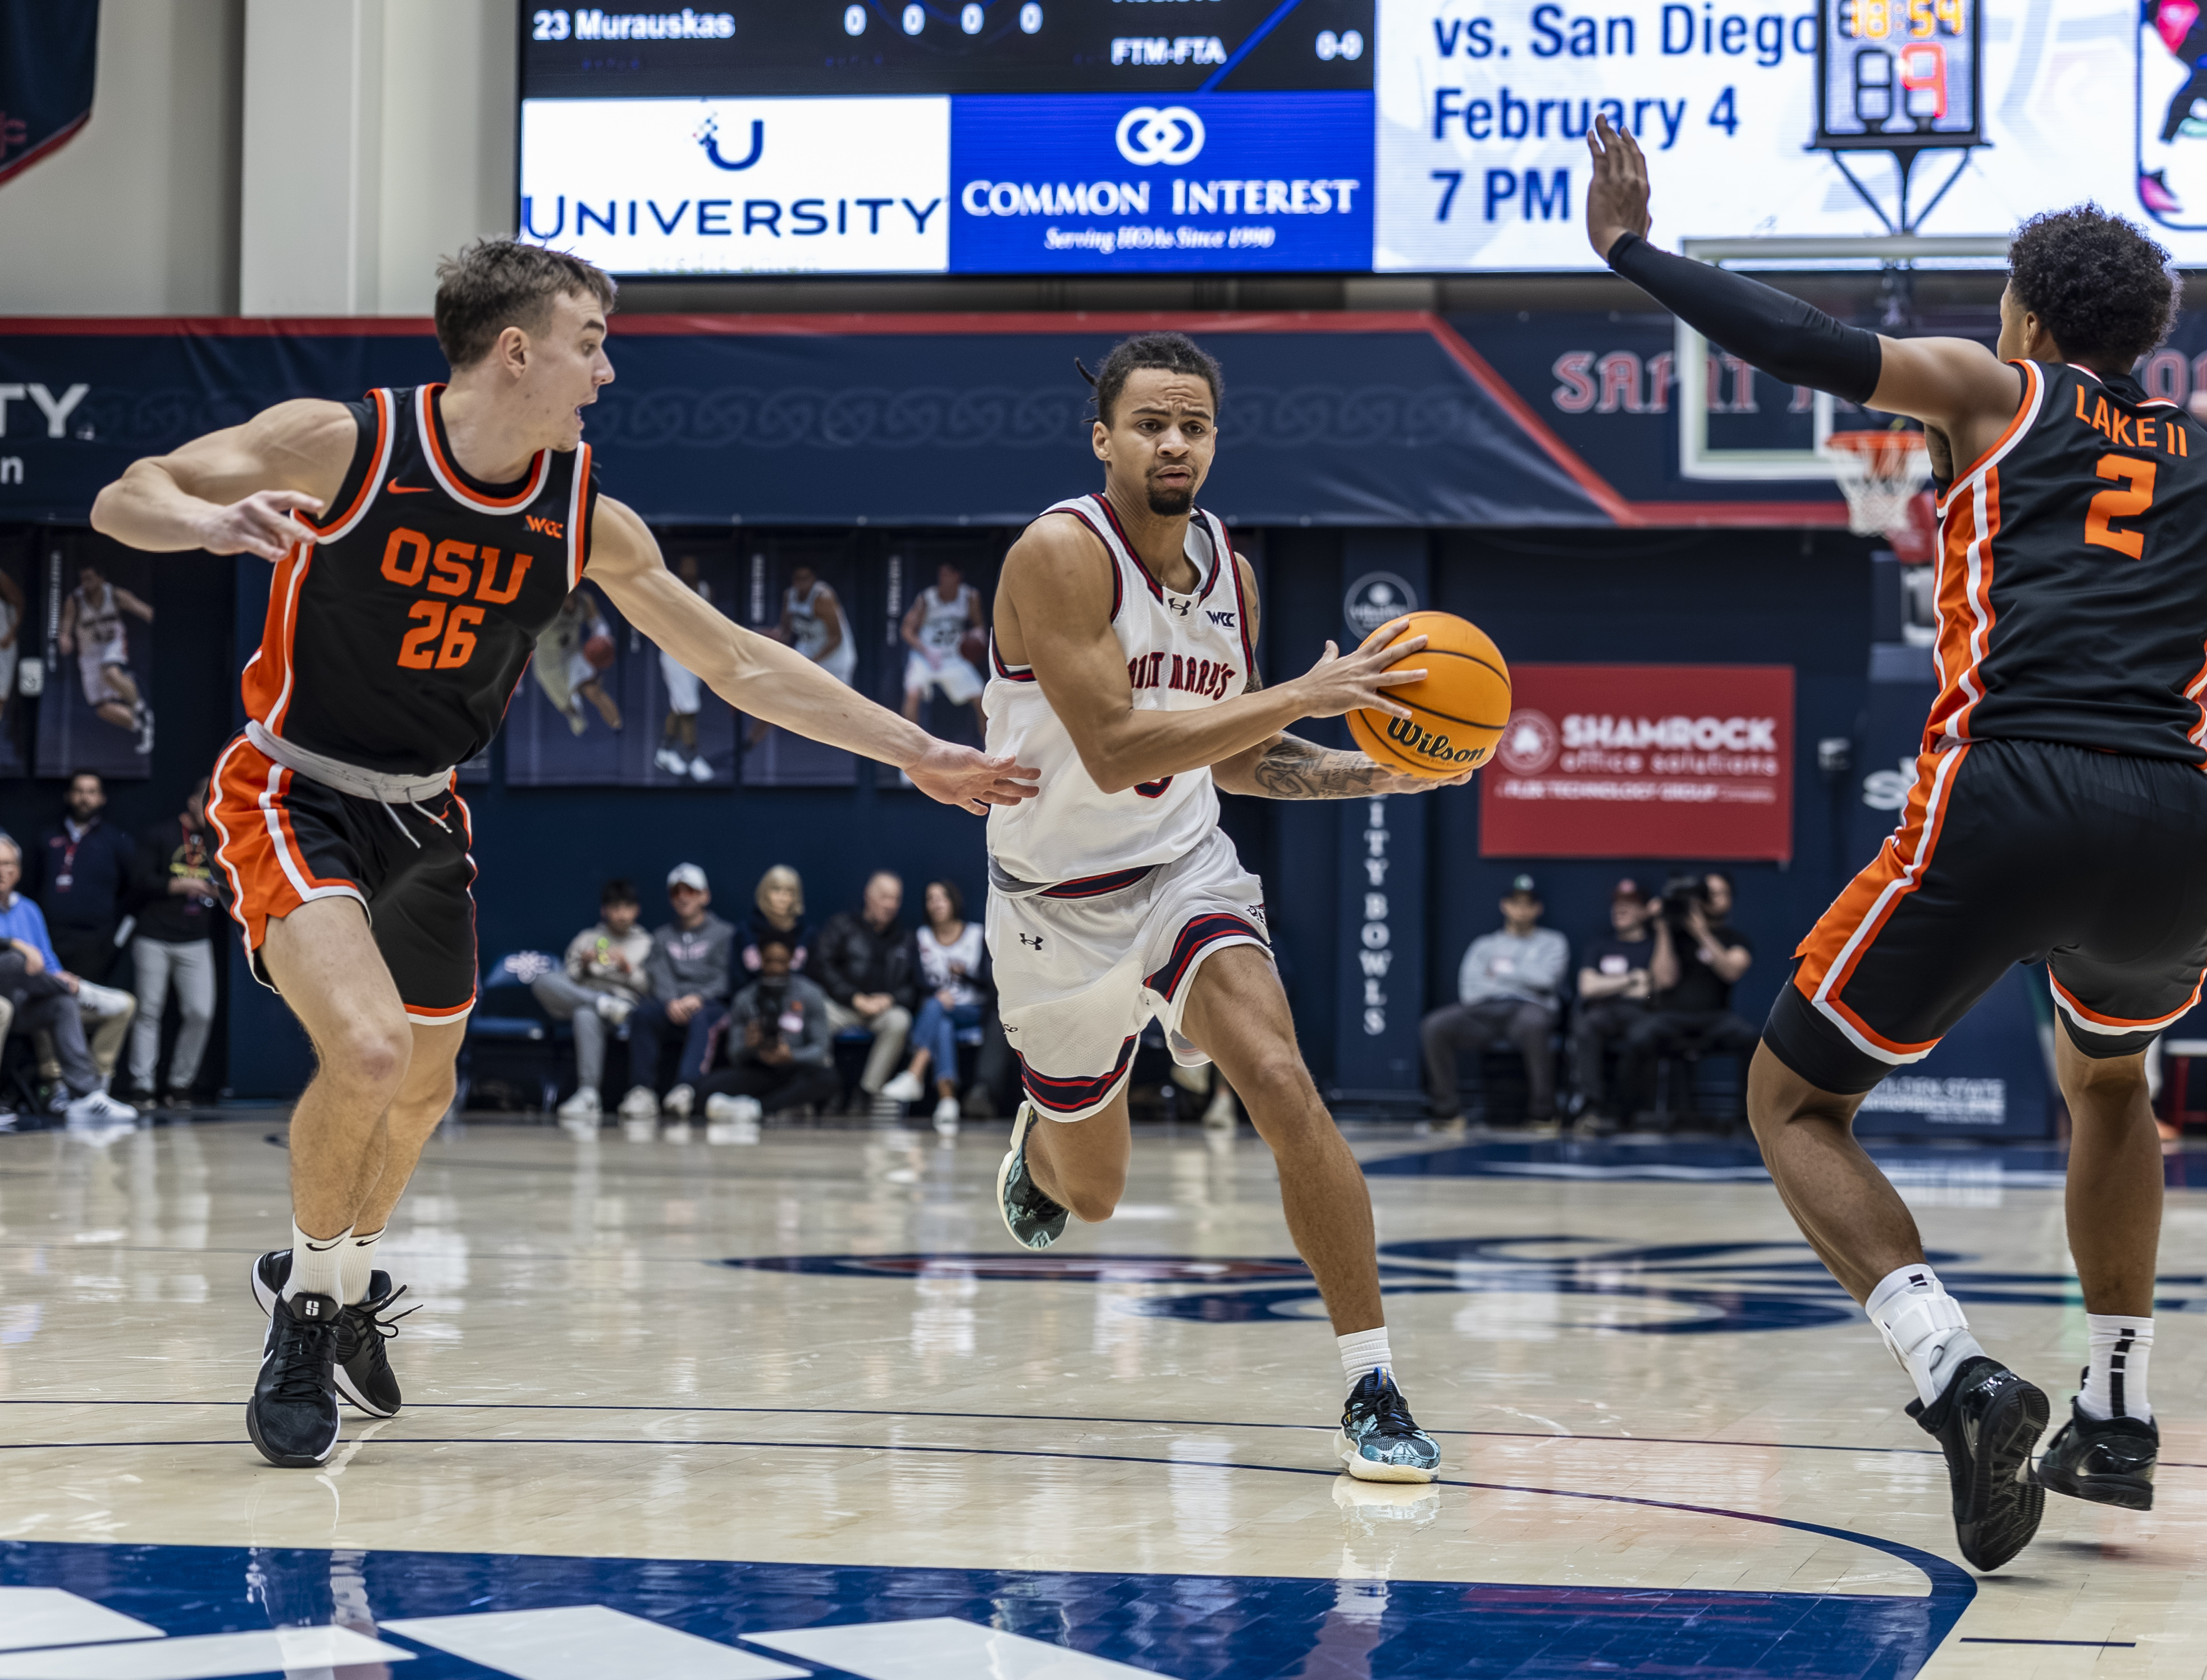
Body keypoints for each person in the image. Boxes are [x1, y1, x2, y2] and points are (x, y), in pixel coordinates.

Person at [88, 236, 1035, 1469]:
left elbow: (737, 660)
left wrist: (915, 747)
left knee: (423, 1090)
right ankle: (309, 1313)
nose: (606, 371)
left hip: (428, 809)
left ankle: (336, 1267)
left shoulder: (582, 510)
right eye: (591, 342)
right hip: (291, 782)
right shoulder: (347, 441)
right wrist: (210, 519)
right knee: (368, 1047)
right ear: (518, 348)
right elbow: (128, 492)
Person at [1588, 117, 2203, 1568]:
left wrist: (1632, 250)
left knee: (1791, 1100)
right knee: (2109, 1081)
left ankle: (1957, 1374)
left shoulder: (1998, 390)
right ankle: (2111, 1412)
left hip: (2008, 787)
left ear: (2031, 316)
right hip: (2179, 819)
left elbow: (1800, 341)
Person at [985, 331, 1467, 1482]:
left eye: (1193, 423)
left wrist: (1377, 773)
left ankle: (1372, 1383)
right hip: (1056, 905)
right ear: (1103, 439)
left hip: (1185, 873)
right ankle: (1041, 1145)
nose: (1174, 441)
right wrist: (1309, 690)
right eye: (1151, 421)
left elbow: (1235, 754)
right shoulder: (1061, 552)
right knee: (1091, 1194)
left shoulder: (1229, 572)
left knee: (1284, 1080)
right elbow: (1111, 748)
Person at [0, 833, 137, 1127]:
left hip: (28, 1001)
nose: (2, 872)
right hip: (3, 994)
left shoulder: (29, 909)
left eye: (8, 864)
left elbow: (48, 960)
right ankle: (84, 992)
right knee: (14, 961)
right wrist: (15, 944)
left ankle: (87, 1097)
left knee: (62, 1002)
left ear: (19, 871)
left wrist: (62, 977)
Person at [1419, 875, 1569, 1127]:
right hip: (1483, 1012)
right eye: (1515, 902)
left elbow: (1546, 981)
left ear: (1538, 908)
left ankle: (1543, 1115)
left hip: (1527, 1009)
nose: (1522, 909)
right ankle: (1448, 1113)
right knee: (1435, 1025)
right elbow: (1470, 989)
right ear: (1504, 906)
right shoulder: (1484, 945)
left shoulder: (1553, 942)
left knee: (1536, 1025)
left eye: (1528, 903)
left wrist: (1502, 973)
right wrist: (1524, 975)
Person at [1614, 872, 1758, 1128]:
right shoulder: (1676, 937)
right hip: (1672, 1017)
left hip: (1716, 1018)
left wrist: (1702, 933)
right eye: (1707, 894)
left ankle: (1749, 1119)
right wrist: (1663, 930)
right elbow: (1663, 981)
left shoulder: (1735, 939)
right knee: (1637, 1036)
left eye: (1718, 894)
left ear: (1730, 900)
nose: (1711, 899)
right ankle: (1625, 1116)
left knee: (1752, 1040)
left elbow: (1732, 970)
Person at [125, 776, 221, 1109]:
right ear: (192, 801)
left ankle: (181, 1084)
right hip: (154, 934)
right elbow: (139, 881)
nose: (210, 809)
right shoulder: (160, 834)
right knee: (148, 1011)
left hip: (196, 938)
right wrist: (177, 886)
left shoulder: (220, 839)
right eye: (205, 801)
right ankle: (142, 1086)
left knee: (201, 1012)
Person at [618, 864, 734, 1123]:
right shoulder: (661, 937)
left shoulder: (724, 934)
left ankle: (686, 1089)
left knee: (704, 1017)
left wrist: (698, 997)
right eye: (676, 892)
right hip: (672, 1004)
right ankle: (642, 1092)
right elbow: (659, 974)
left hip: (710, 1005)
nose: (683, 897)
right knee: (642, 1015)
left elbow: (725, 976)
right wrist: (671, 1000)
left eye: (691, 891)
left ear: (705, 896)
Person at [881, 877, 993, 1135]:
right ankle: (947, 1101)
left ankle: (915, 1072)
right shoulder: (920, 938)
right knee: (941, 1020)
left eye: (942, 897)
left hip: (972, 1011)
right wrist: (937, 993)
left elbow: (991, 984)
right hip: (940, 1010)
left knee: (937, 1010)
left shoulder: (976, 934)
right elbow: (918, 981)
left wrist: (964, 976)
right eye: (930, 899)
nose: (936, 904)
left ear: (954, 901)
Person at [536, 878, 653, 1125]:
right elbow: (567, 979)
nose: (621, 914)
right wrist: (584, 966)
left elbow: (651, 988)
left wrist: (627, 969)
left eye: (627, 907)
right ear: (605, 910)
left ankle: (588, 1093)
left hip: (623, 1004)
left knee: (584, 1013)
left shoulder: (646, 942)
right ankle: (599, 1002)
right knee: (544, 981)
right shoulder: (588, 938)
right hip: (587, 996)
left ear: (637, 910)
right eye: (615, 907)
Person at [697, 936, 838, 1129]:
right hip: (759, 1070)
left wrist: (791, 1056)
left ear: (791, 960)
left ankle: (757, 1108)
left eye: (781, 961)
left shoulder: (810, 994)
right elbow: (734, 1054)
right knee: (705, 1089)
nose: (775, 968)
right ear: (760, 960)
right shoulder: (745, 998)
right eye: (769, 961)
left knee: (828, 1079)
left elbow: (820, 1049)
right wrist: (750, 1047)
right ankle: (783, 1104)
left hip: (797, 1069)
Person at [816, 871, 919, 1106]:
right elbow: (822, 968)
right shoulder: (841, 926)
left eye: (896, 899)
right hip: (844, 1005)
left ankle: (867, 1093)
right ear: (868, 896)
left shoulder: (906, 937)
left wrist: (889, 1000)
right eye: (884, 897)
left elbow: (915, 987)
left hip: (882, 1010)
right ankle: (825, 1086)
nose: (890, 905)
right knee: (816, 1013)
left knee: (900, 1021)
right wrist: (854, 998)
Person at [33, 771, 136, 983]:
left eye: (91, 792)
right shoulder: (47, 837)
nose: (84, 798)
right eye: (79, 791)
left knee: (88, 1004)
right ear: (68, 796)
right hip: (51, 938)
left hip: (96, 942)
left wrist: (113, 939)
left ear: (102, 798)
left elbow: (131, 888)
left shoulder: (117, 841)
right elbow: (34, 882)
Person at [1569, 879, 1655, 1131]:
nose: (1620, 910)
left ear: (1644, 910)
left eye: (1629, 904)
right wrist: (1630, 980)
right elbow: (1587, 988)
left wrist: (1606, 983)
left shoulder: (1652, 946)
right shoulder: (1599, 944)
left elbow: (1648, 990)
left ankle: (1631, 1110)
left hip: (1640, 1012)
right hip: (1601, 1011)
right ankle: (1592, 1106)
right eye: (1617, 904)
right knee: (1585, 1027)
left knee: (1646, 1033)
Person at [747, 562, 856, 749]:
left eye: (806, 578)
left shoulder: (824, 598)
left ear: (814, 579)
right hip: (808, 652)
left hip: (834, 657)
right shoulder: (789, 596)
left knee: (842, 715)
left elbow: (836, 639)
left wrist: (812, 663)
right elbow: (786, 632)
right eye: (798, 578)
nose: (801, 583)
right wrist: (765, 635)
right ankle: (749, 745)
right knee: (778, 695)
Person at [58, 562, 154, 753]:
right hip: (89, 655)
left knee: (110, 671)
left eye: (90, 578)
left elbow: (145, 611)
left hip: (113, 646)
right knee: (102, 709)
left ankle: (141, 709)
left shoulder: (116, 595)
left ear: (102, 579)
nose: (86, 583)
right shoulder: (75, 601)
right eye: (83, 579)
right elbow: (65, 628)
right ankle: (142, 725)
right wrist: (65, 639)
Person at [901, 560, 987, 736]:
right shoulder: (927, 598)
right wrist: (925, 649)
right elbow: (906, 630)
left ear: (958, 576)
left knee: (983, 700)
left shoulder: (970, 597)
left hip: (954, 657)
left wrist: (974, 637)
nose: (942, 579)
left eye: (947, 574)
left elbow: (979, 628)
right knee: (912, 694)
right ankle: (907, 757)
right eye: (941, 574)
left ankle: (992, 752)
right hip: (926, 656)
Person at [654, 553, 715, 782]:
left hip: (696, 656)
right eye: (685, 565)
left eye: (693, 565)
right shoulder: (669, 589)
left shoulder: (705, 590)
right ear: (679, 568)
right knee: (688, 709)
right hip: (675, 655)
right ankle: (692, 758)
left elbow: (712, 623)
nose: (690, 569)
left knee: (680, 706)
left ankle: (665, 752)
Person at [531, 586, 622, 735]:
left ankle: (618, 727)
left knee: (593, 691)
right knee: (570, 709)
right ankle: (574, 713)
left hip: (573, 656)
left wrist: (602, 640)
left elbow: (599, 626)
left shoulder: (585, 601)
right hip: (549, 667)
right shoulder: (547, 604)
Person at [739, 863, 810, 976]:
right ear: (764, 893)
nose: (783, 898)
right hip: (754, 993)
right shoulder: (745, 932)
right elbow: (737, 978)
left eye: (790, 892)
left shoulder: (807, 933)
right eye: (777, 890)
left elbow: (813, 977)